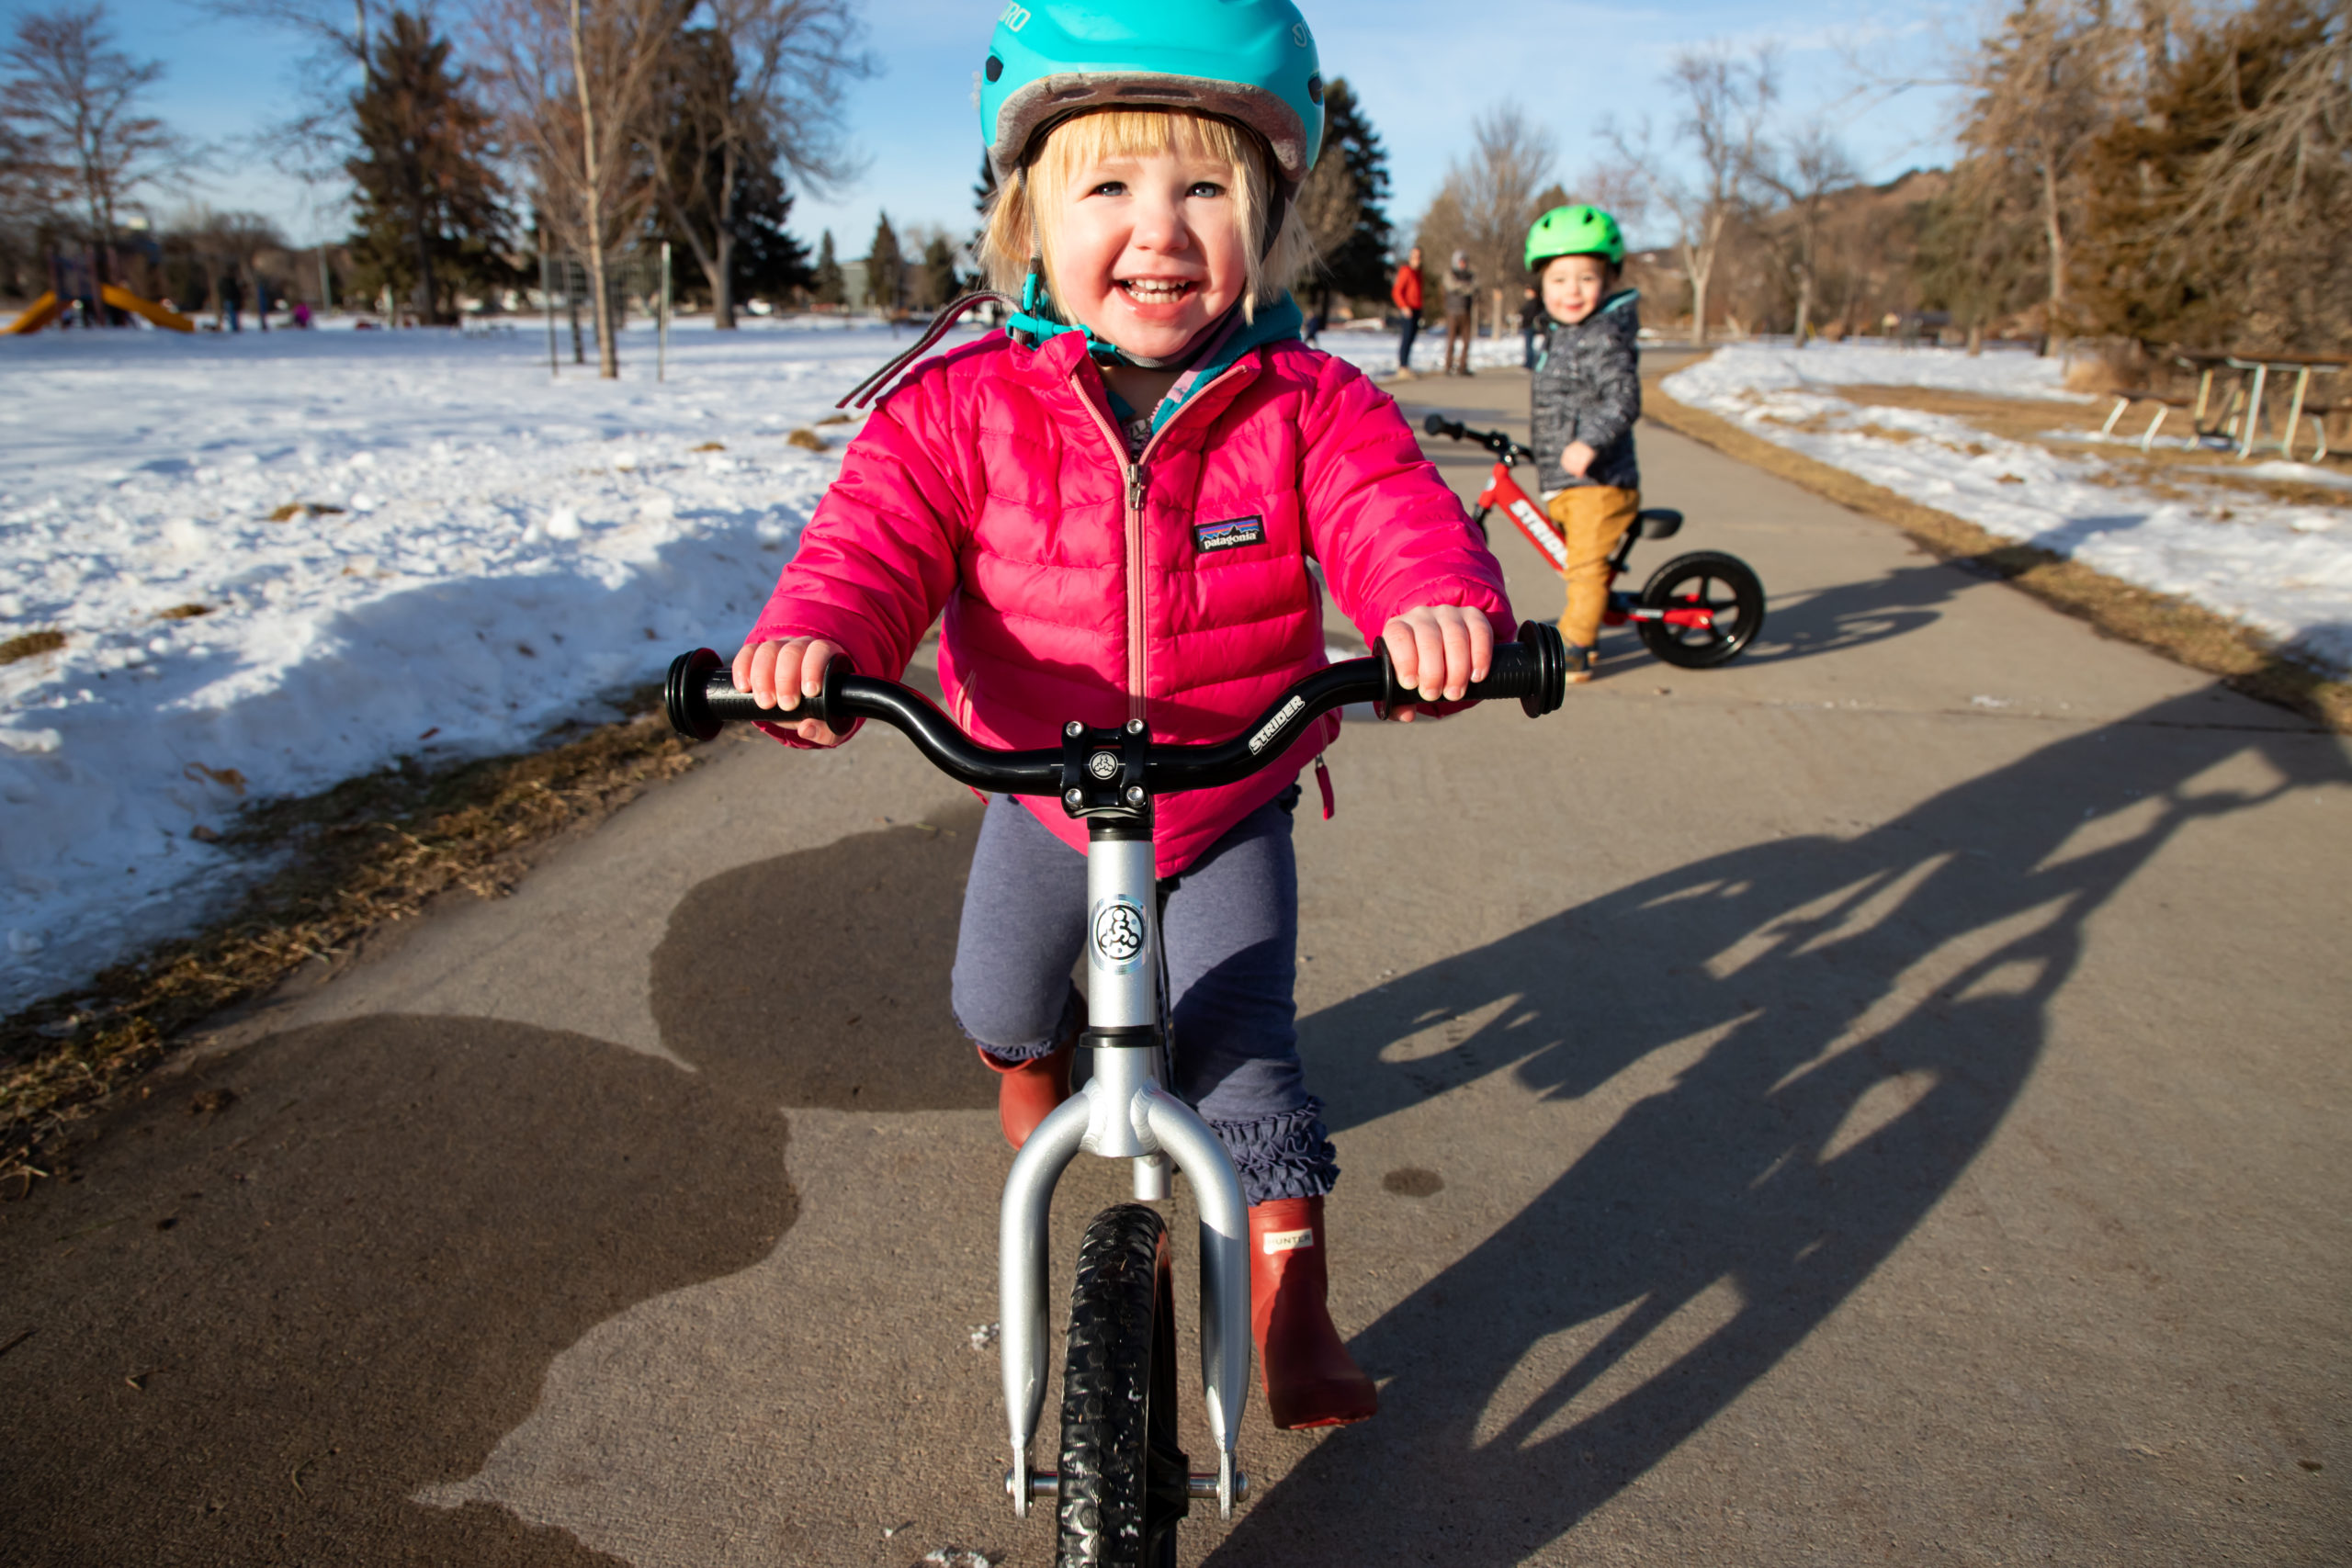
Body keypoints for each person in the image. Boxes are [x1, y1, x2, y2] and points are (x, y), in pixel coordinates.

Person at [730, 0, 1515, 1433]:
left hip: (1224, 795)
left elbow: (1391, 512)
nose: (1159, 227)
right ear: (1030, 216)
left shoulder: (1307, 401)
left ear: (1268, 219)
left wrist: (1433, 604)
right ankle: (1035, 1128)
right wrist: (818, 642)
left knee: (1243, 1056)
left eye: (1206, 186)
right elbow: (873, 539)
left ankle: (1291, 1303)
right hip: (1042, 788)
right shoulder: (961, 409)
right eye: (1109, 186)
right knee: (997, 1002)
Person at [1525, 204, 1641, 682]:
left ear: (1607, 281)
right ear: (1541, 285)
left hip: (1600, 482)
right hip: (1569, 481)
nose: (1572, 291)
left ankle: (1576, 647)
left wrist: (1589, 443)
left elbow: (1623, 398)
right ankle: (1594, 609)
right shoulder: (1563, 334)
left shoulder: (1602, 336)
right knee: (1573, 563)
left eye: (1586, 278)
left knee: (1585, 568)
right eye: (1560, 279)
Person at [1389, 244, 1424, 378]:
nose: (1417, 259)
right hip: (1407, 310)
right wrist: (1404, 306)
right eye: (1415, 256)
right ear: (1410, 258)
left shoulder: (1419, 273)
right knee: (1406, 338)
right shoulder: (1406, 271)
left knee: (1412, 338)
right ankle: (1402, 367)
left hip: (1417, 309)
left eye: (1419, 257)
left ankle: (1406, 365)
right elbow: (1397, 291)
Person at [1441, 249, 1476, 375]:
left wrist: (1461, 287)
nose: (1463, 264)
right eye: (1460, 261)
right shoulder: (1450, 273)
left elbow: (1473, 289)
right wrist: (1463, 287)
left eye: (1464, 261)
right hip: (1452, 311)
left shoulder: (1470, 275)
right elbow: (1451, 286)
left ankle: (1463, 366)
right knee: (1451, 341)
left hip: (1466, 310)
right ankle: (1448, 366)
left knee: (1466, 341)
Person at [1518, 284, 1544, 369]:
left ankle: (1530, 363)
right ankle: (1529, 362)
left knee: (1529, 346)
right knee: (1528, 345)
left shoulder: (1535, 302)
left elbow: (1530, 314)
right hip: (1527, 325)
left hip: (1530, 326)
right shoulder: (1532, 302)